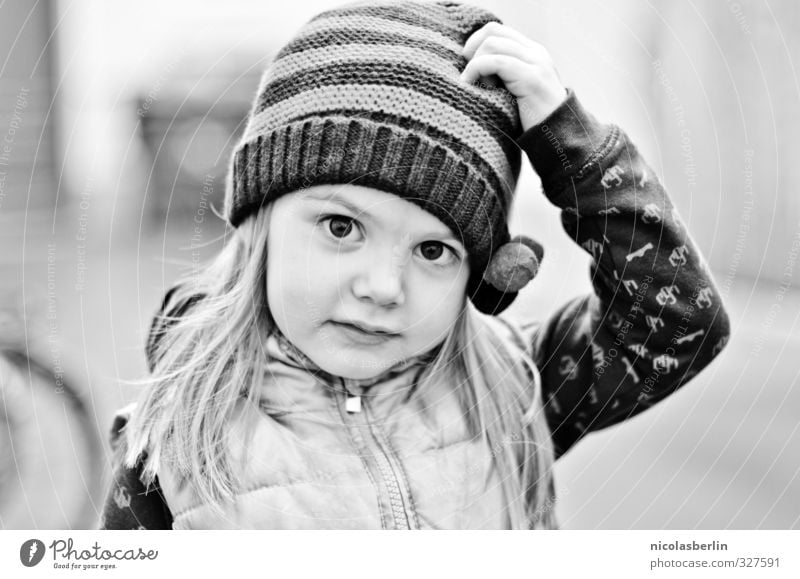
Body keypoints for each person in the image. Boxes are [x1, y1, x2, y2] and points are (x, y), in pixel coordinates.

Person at [100, 0, 730, 530]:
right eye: (342, 227)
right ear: (262, 224)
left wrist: (570, 146)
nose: (383, 288)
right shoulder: (174, 446)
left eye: (434, 250)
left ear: (482, 273)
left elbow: (677, 322)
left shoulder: (512, 389)